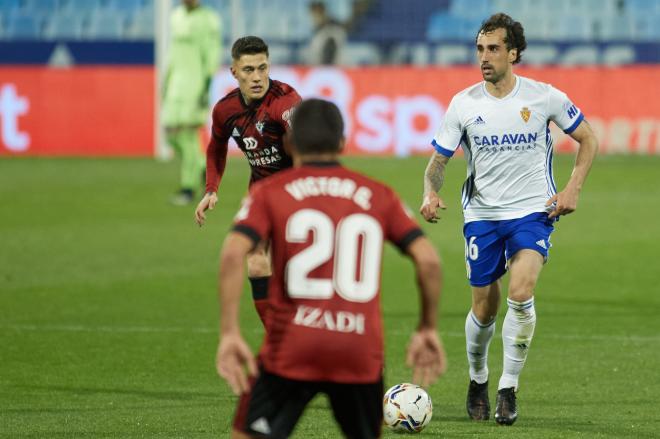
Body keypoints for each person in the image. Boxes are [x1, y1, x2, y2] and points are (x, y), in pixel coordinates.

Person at [216, 98, 447, 439]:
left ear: (290, 143)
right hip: (358, 351)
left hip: (291, 347)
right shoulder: (377, 194)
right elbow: (428, 259)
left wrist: (230, 331)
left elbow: (234, 253)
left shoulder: (270, 192)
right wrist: (427, 327)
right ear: (342, 142)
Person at [419, 13, 598, 426]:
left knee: (521, 290)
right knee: (484, 309)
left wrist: (572, 189)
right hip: (481, 216)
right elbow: (437, 163)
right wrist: (430, 191)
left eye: (494, 48)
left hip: (533, 212)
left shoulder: (544, 97)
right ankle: (478, 379)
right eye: (480, 49)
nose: (484, 57)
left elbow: (588, 137)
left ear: (513, 53)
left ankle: (507, 389)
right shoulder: (463, 104)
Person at [194, 36, 301, 323]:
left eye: (262, 68)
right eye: (249, 70)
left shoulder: (286, 102)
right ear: (234, 73)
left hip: (295, 192)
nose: (257, 77)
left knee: (293, 273)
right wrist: (211, 189)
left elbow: (306, 150)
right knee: (255, 264)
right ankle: (278, 341)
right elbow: (216, 148)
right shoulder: (225, 110)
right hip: (260, 194)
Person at [162, 0, 221, 205]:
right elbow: (172, 53)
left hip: (194, 83)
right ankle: (201, 166)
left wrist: (206, 84)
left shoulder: (209, 19)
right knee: (170, 133)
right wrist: (167, 80)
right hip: (175, 84)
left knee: (188, 134)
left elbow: (212, 53)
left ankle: (188, 188)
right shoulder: (175, 16)